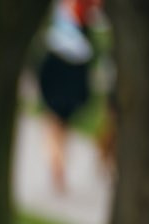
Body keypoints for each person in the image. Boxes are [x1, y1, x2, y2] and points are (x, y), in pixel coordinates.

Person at [37, 0, 102, 193]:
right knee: (60, 122)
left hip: (61, 60)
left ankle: (57, 162)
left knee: (56, 121)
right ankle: (58, 162)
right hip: (73, 64)